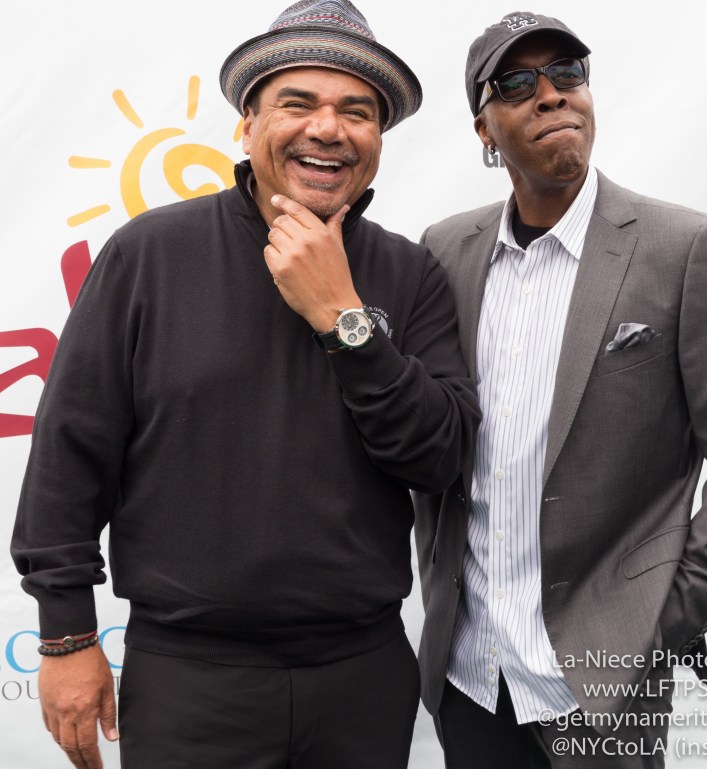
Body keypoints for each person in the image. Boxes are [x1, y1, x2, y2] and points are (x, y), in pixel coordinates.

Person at [11, 2, 479, 768]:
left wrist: (343, 318)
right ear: (246, 124)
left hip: (362, 674)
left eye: (357, 111)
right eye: (298, 103)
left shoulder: (408, 272)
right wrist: (66, 635)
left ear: (378, 143)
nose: (328, 128)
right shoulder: (148, 257)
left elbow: (439, 458)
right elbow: (69, 452)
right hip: (191, 679)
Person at [413, 11, 707, 769]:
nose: (552, 94)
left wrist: (658, 619)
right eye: (518, 83)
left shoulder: (684, 249)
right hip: (469, 676)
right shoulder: (445, 252)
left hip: (601, 682)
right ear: (484, 129)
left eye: (569, 74)